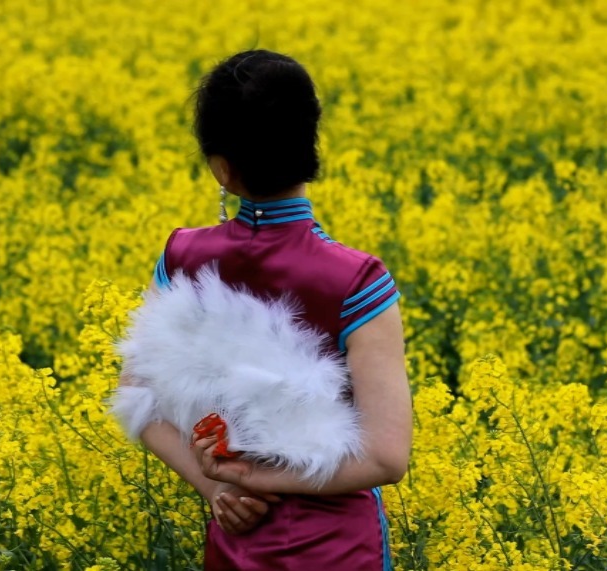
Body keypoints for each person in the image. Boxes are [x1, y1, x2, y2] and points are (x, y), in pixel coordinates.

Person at [120, 49, 412, 570]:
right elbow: (387, 457)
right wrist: (262, 477)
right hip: (340, 550)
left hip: (238, 542)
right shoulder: (358, 281)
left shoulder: (182, 258)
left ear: (220, 168)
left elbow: (137, 397)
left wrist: (220, 487)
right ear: (310, 146)